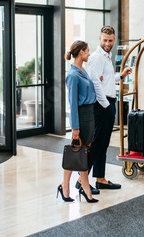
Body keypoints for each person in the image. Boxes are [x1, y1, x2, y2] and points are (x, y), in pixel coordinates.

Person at [85, 26, 132, 192]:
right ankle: (82, 181)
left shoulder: (106, 57)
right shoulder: (97, 57)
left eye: (110, 40)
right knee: (97, 143)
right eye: (104, 40)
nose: (107, 43)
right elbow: (95, 82)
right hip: (102, 104)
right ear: (99, 39)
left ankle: (100, 179)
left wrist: (122, 75)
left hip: (107, 102)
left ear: (114, 39)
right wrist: (106, 105)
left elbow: (106, 79)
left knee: (103, 143)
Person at [60, 40, 98, 203]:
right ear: (81, 52)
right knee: (78, 150)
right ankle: (81, 186)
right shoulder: (73, 75)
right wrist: (74, 127)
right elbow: (72, 103)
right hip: (81, 116)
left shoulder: (82, 70)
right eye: (87, 51)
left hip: (89, 115)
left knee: (82, 152)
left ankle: (69, 185)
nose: (89, 54)